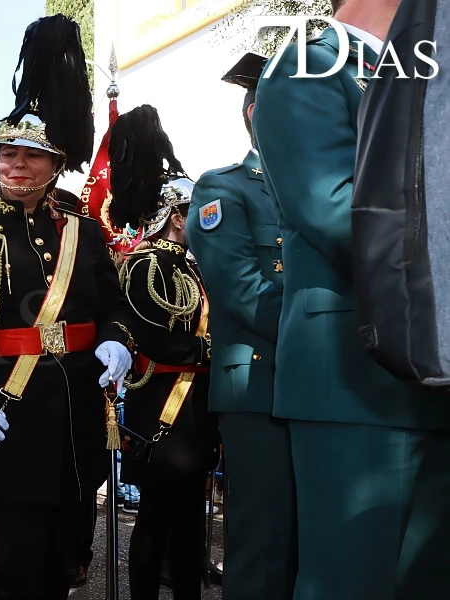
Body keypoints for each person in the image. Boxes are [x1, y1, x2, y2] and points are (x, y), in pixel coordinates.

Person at [0, 15, 134, 599]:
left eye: (32, 155)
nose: (17, 163)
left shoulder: (84, 234)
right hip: (1, 416)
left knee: (64, 562)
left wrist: (116, 337)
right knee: (11, 567)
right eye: (6, 152)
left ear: (55, 165)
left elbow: (113, 304)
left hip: (77, 417)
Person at [253, 1, 450, 596]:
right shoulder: (308, 68)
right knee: (350, 581)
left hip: (433, 376)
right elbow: (341, 211)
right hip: (354, 380)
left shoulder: (426, 73)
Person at [185, 53, 296, 600]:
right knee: (263, 541)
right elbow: (242, 292)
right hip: (260, 386)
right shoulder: (223, 189)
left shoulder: (317, 186)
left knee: (312, 541)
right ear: (257, 113)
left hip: (321, 383)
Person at [107, 104, 219, 600]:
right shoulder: (144, 264)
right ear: (177, 217)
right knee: (154, 521)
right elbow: (157, 337)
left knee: (191, 522)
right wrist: (215, 348)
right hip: (162, 416)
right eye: (196, 211)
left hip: (196, 415)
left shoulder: (190, 267)